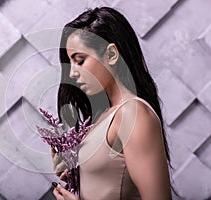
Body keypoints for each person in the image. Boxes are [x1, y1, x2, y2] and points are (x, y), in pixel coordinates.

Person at [50, 7, 173, 200]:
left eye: (80, 61)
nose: (72, 73)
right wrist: (73, 170)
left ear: (112, 54)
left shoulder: (134, 114)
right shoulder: (106, 115)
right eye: (70, 63)